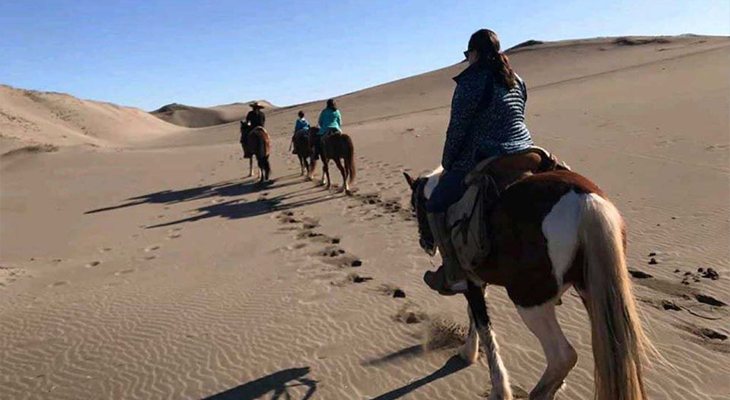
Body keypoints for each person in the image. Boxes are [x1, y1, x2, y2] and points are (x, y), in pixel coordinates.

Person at [424, 29, 534, 295]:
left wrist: (448, 162)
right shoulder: (516, 79)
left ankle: (453, 271)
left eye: (467, 54)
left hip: (486, 154)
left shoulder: (471, 82)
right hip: (524, 151)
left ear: (474, 53)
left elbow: (458, 129)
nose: (467, 59)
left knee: (436, 203)